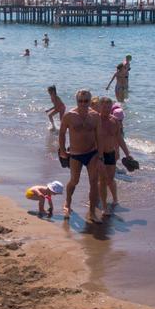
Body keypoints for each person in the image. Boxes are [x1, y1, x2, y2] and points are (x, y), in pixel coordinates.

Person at [59, 89, 102, 222]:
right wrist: (62, 151)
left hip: (92, 153)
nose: (83, 103)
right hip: (76, 154)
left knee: (94, 182)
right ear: (76, 101)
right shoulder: (69, 116)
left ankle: (92, 213)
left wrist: (100, 156)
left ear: (90, 101)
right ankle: (68, 203)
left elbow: (99, 137)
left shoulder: (95, 116)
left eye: (86, 101)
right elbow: (61, 134)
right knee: (74, 181)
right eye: (80, 101)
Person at [96, 97, 132, 216]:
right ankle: (104, 206)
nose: (106, 109)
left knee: (110, 179)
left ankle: (115, 199)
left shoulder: (114, 121)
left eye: (108, 107)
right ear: (99, 107)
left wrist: (127, 154)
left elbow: (120, 139)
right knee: (102, 180)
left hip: (110, 153)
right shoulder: (95, 120)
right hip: (99, 155)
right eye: (104, 107)